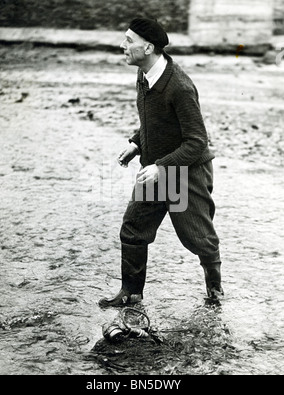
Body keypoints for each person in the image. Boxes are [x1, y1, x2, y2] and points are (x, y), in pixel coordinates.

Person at [99, 18, 224, 307]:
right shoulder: (145, 75)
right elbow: (154, 121)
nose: (122, 46)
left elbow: (197, 142)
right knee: (133, 228)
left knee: (197, 238)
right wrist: (136, 142)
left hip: (185, 173)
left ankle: (215, 291)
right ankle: (131, 294)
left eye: (129, 41)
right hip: (157, 170)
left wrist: (160, 167)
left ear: (148, 47)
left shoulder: (179, 87)